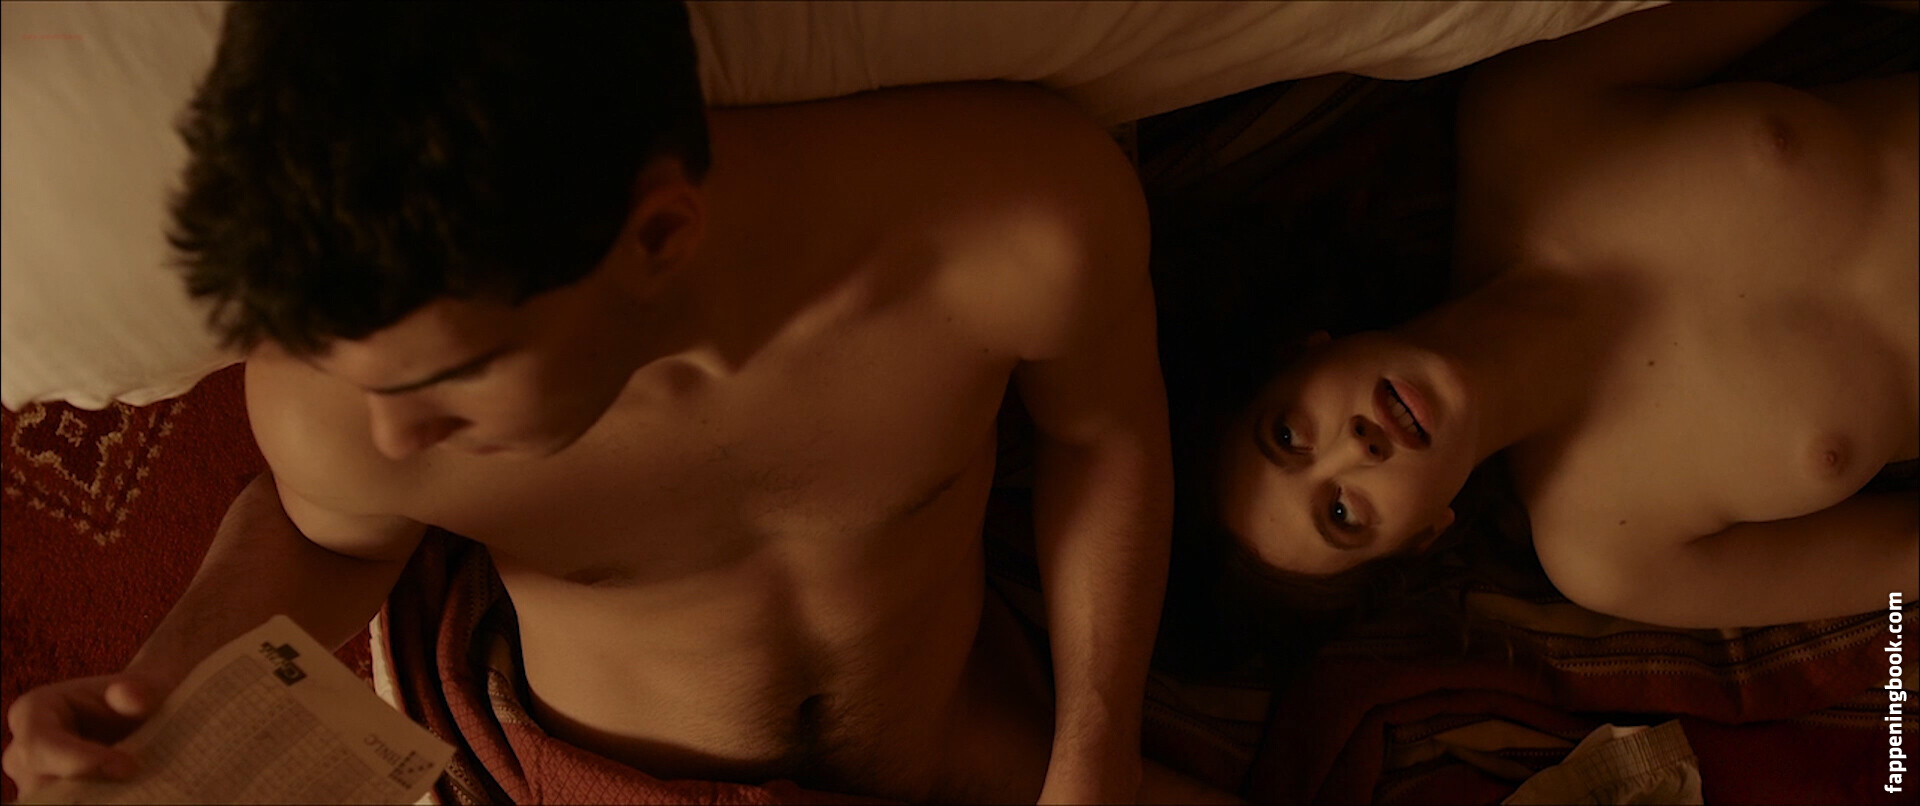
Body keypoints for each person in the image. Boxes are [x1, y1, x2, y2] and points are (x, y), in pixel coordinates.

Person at [0, 3, 1219, 802]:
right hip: (597, 778)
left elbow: (1103, 436)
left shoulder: (1020, 233)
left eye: (444, 380)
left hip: (965, 737)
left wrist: (1094, 750)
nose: (397, 437)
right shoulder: (342, 406)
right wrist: (152, 693)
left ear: (658, 234)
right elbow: (332, 539)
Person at [1208, 0, 1917, 630]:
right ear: (1424, 537)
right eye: (1341, 514)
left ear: (1304, 351)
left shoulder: (1522, 118)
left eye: (1289, 434)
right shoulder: (1612, 557)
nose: (1355, 448)